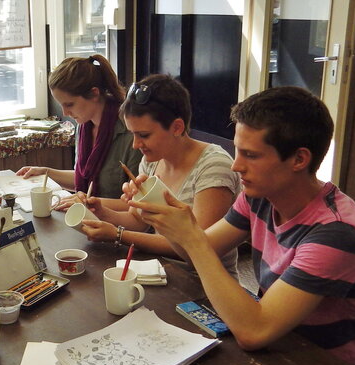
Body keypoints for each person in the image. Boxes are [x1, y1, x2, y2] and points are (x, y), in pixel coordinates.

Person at [130, 87, 355, 365]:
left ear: (299, 159)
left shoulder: (336, 233)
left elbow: (254, 332)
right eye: (238, 150)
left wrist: (190, 237)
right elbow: (199, 252)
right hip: (278, 350)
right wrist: (168, 218)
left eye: (251, 155)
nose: (237, 165)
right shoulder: (260, 197)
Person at [78, 74, 240, 276]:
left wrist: (119, 235)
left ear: (177, 127)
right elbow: (138, 220)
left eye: (144, 135)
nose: (136, 145)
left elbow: (196, 248)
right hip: (163, 272)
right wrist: (103, 213)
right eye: (133, 134)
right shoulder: (151, 161)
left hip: (204, 283)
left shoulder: (214, 166)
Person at [16, 55, 142, 204]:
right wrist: (45, 172)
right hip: (89, 217)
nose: (64, 113)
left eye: (69, 104)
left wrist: (87, 202)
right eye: (61, 105)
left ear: (94, 93)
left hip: (115, 224)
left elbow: (138, 205)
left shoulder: (131, 134)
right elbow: (83, 177)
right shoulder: (83, 127)